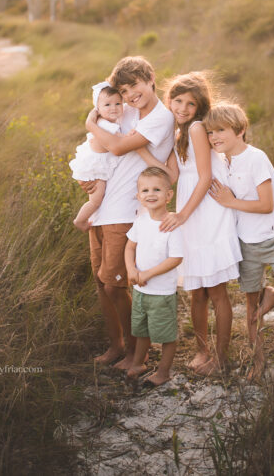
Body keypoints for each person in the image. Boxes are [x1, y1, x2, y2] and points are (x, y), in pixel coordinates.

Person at [136, 72, 240, 375]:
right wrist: (138, 148)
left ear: (199, 107)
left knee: (216, 290)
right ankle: (201, 350)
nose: (182, 107)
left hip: (205, 209)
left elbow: (205, 176)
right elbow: (171, 176)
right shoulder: (180, 132)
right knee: (196, 288)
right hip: (190, 207)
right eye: (177, 101)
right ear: (169, 100)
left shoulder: (196, 128)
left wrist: (181, 215)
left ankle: (220, 358)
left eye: (190, 104)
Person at [204, 102, 274, 379]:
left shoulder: (256, 158)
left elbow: (266, 205)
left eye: (220, 130)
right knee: (252, 309)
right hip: (245, 244)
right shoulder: (222, 162)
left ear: (240, 130)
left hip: (273, 237)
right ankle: (258, 362)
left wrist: (232, 201)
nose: (214, 137)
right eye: (210, 132)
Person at [81, 56, 175, 370]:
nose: (130, 94)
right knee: (101, 281)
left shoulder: (160, 117)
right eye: (124, 90)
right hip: (103, 207)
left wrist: (91, 123)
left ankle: (139, 353)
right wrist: (90, 175)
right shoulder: (129, 110)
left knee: (115, 285)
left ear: (150, 79)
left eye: (134, 85)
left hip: (126, 209)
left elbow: (118, 146)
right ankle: (116, 345)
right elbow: (102, 143)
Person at [124, 167, 185, 388]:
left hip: (161, 292)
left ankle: (163, 372)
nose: (151, 194)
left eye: (157, 189)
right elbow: (130, 247)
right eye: (145, 190)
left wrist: (148, 273)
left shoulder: (171, 225)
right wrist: (131, 270)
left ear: (169, 195)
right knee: (142, 330)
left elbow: (176, 258)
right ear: (139, 195)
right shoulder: (141, 221)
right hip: (140, 290)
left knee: (166, 334)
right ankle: (138, 363)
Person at [69, 81, 124, 231]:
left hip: (97, 162)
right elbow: (121, 139)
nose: (113, 108)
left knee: (97, 199)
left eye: (118, 103)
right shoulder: (105, 124)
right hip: (95, 167)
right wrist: (132, 135)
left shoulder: (108, 121)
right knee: (96, 201)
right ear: (97, 109)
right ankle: (80, 220)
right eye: (107, 105)